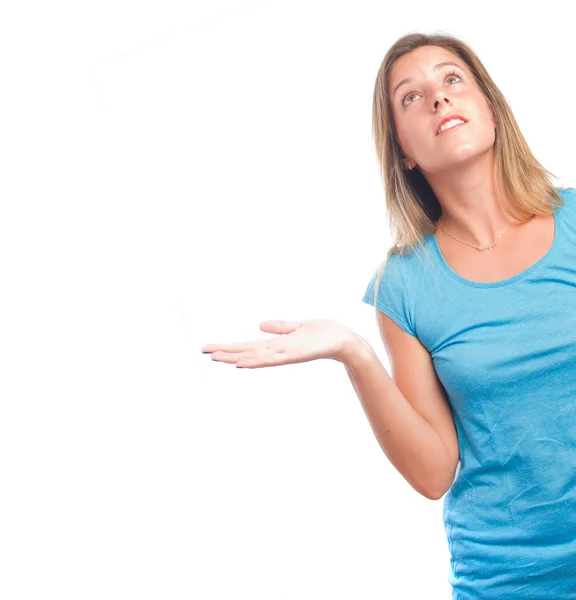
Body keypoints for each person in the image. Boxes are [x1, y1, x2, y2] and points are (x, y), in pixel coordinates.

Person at [201, 31, 576, 599]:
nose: (438, 98)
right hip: (508, 578)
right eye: (411, 96)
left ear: (491, 110)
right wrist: (354, 352)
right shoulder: (403, 286)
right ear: (403, 149)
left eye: (453, 79)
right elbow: (432, 474)